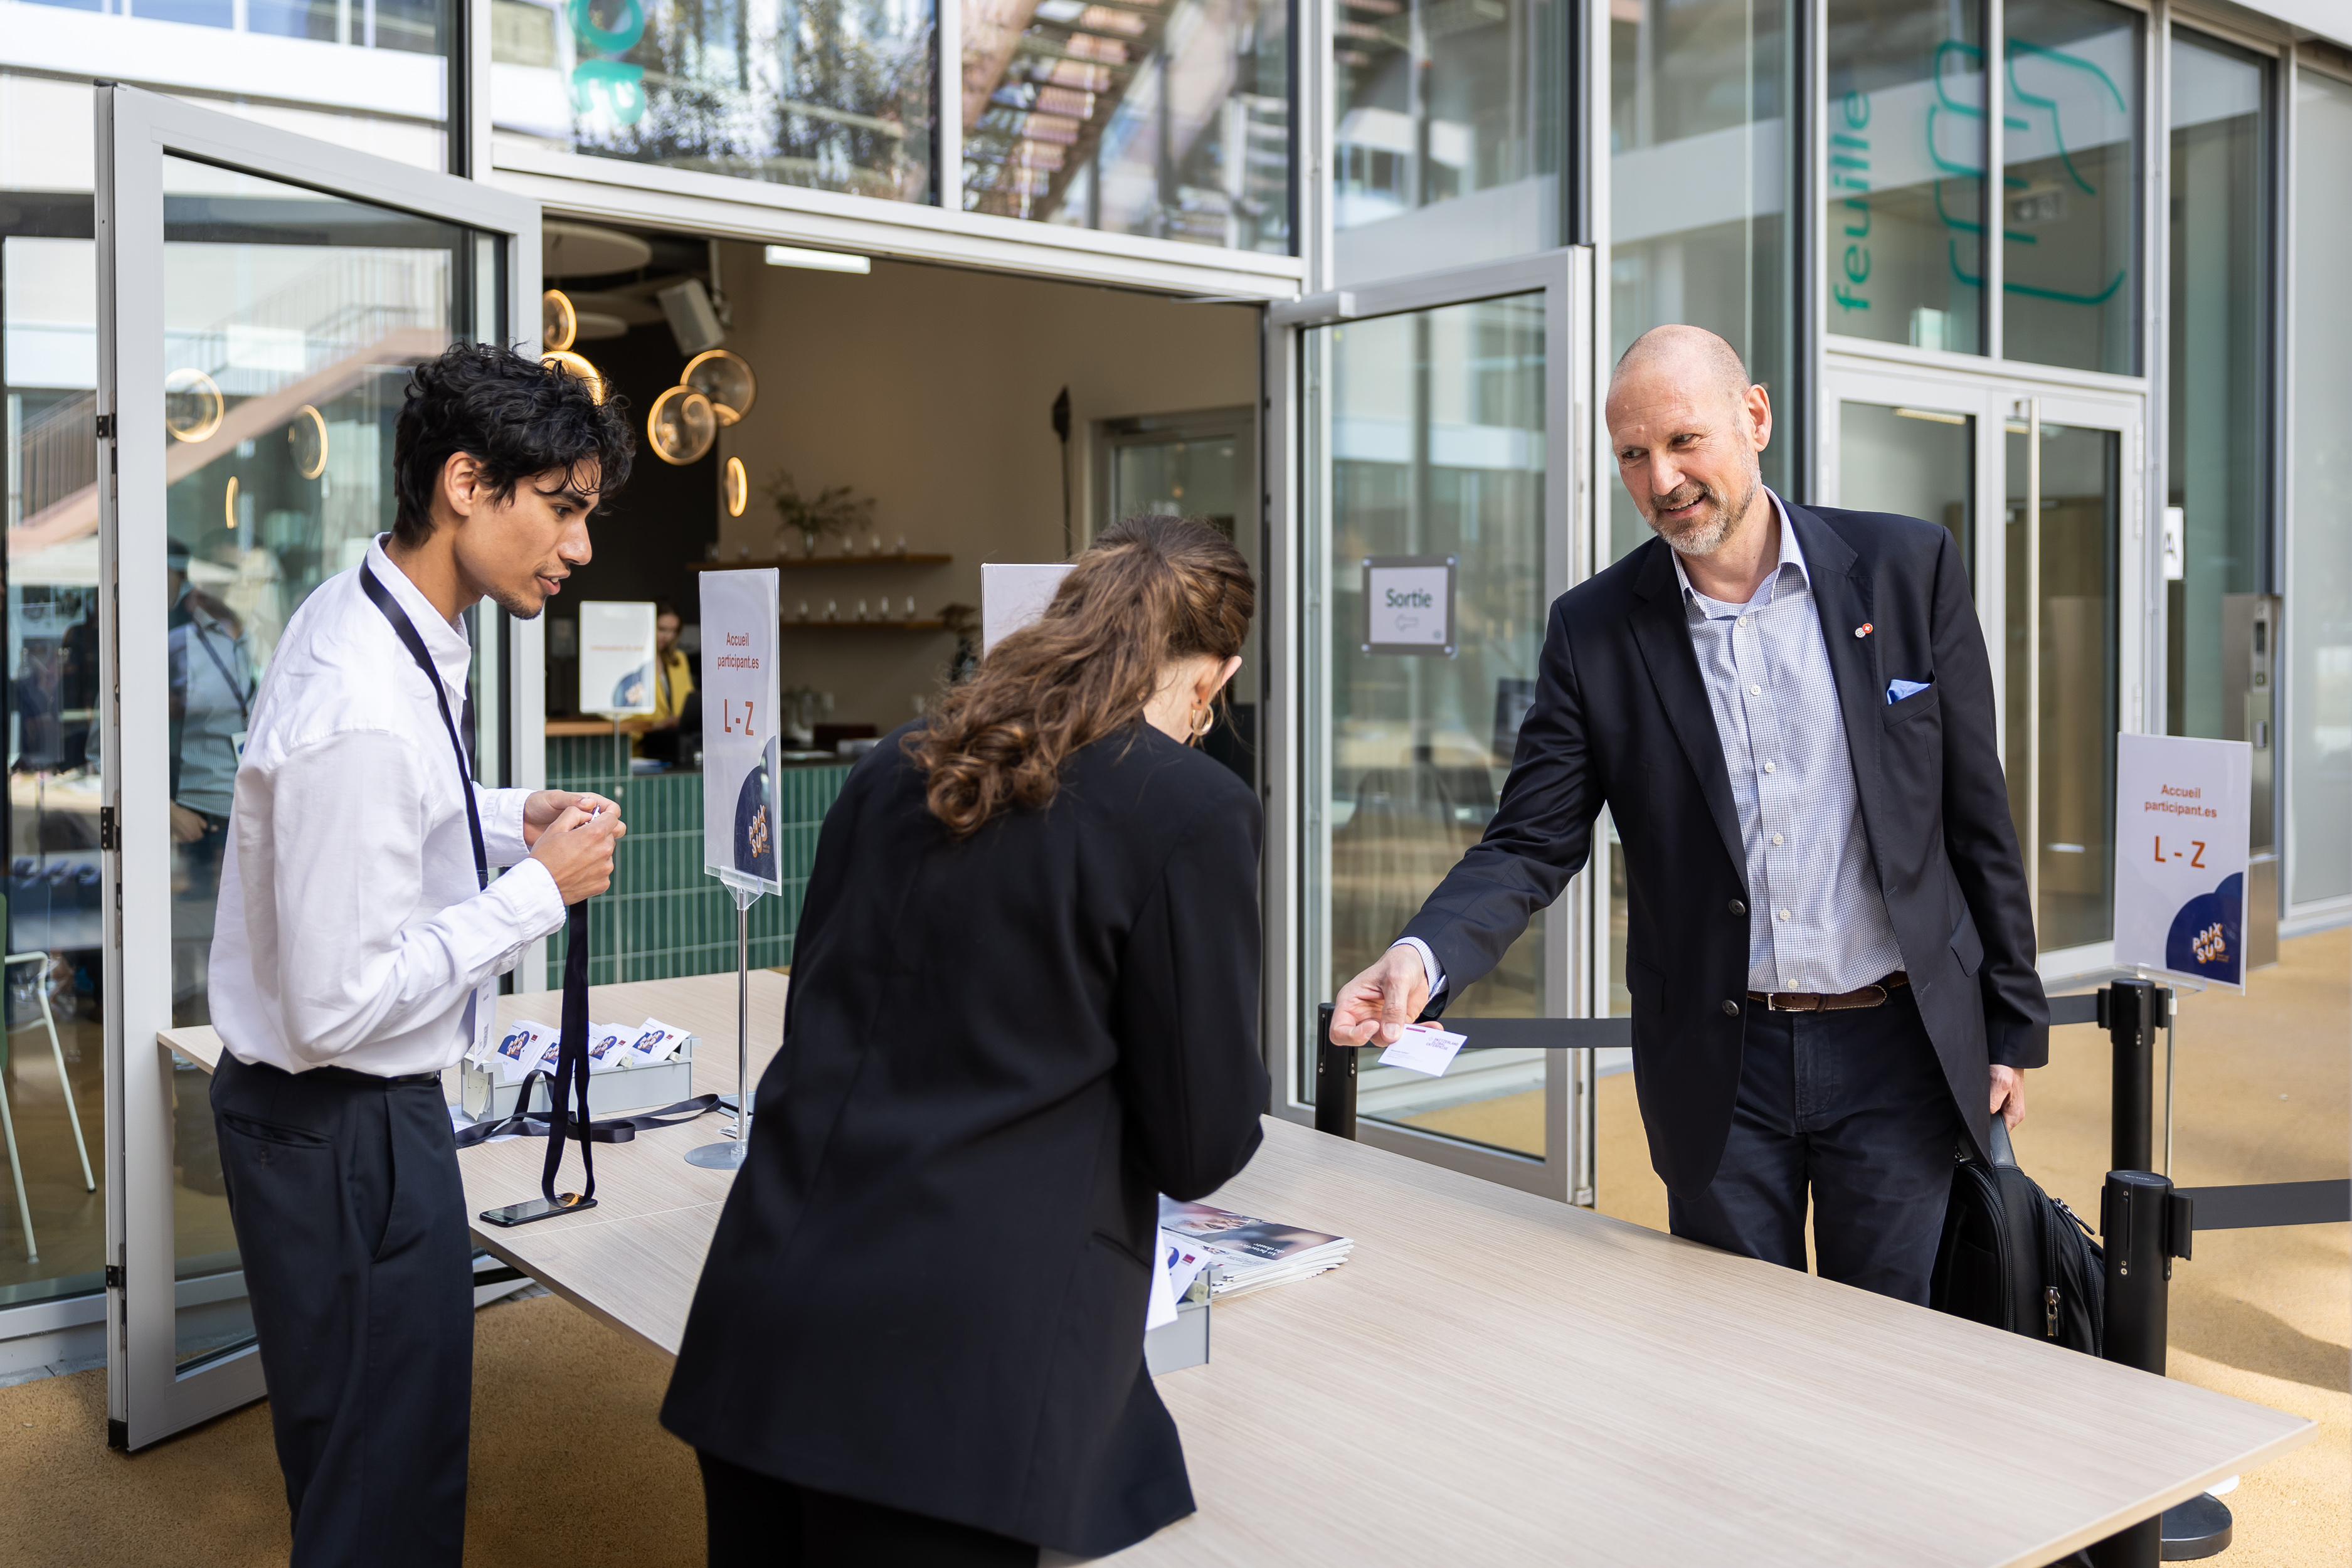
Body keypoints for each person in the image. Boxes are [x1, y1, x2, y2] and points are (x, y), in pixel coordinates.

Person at [1332, 326, 2048, 1305]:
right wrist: (1422, 957)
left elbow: (1975, 814)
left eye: (1683, 440)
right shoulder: (1592, 630)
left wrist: (2010, 1023)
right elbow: (1529, 842)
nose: (1661, 479)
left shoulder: (1904, 566)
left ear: (1753, 417)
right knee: (1728, 1344)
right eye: (1632, 454)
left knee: (1887, 1350)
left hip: (1901, 1049)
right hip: (1720, 1066)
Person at [662, 515, 1269, 1566]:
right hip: (954, 1378)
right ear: (1215, 677)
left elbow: (822, 1016)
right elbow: (1198, 1143)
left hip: (768, 1310)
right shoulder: (1189, 809)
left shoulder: (896, 765)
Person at [205, 342, 635, 1566]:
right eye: (560, 507)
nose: (579, 546)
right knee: (382, 1491)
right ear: (465, 484)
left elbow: (393, 810)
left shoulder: (371, 615)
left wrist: (510, 817)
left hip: (331, 1122)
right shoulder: (363, 702)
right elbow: (337, 1005)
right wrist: (535, 892)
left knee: (367, 1463)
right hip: (346, 1121)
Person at [632, 599, 694, 760]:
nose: (668, 636)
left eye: (673, 631)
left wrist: (680, 721)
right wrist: (656, 725)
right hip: (642, 749)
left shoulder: (679, 659)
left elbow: (689, 702)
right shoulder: (633, 661)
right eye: (662, 629)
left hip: (676, 747)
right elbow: (624, 713)